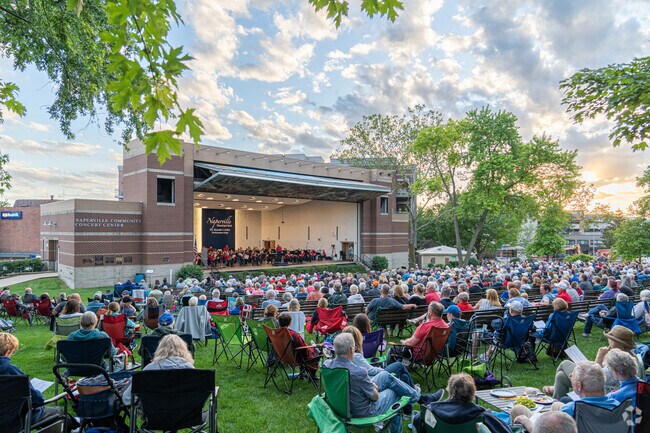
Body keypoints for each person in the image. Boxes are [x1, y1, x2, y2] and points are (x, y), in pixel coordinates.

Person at [323, 333, 438, 433]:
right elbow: (374, 397)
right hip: (363, 411)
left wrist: (370, 386)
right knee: (395, 391)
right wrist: (373, 388)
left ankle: (419, 398)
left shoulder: (327, 365)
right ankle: (417, 401)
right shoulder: (358, 372)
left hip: (342, 406)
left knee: (385, 376)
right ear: (351, 350)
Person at [342, 326, 426, 417]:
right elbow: (371, 370)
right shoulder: (356, 356)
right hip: (371, 381)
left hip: (365, 384)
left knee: (404, 377)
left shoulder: (344, 358)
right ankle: (415, 393)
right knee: (398, 366)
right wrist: (382, 368)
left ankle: (409, 407)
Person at [542, 325, 645, 399]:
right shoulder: (630, 357)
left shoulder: (618, 362)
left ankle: (558, 400)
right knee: (561, 376)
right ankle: (556, 399)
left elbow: (595, 378)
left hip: (599, 392)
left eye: (610, 339)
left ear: (618, 342)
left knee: (564, 364)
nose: (608, 341)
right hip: (602, 386)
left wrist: (599, 358)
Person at [513, 361, 618, 428]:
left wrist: (526, 422)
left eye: (572, 376)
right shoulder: (620, 405)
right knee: (556, 405)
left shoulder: (572, 410)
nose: (570, 378)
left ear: (578, 385)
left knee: (517, 410)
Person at [0, 333, 68, 427]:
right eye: (13, 352)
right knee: (58, 412)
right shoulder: (11, 371)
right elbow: (37, 400)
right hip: (18, 419)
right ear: (7, 352)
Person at [413, 373, 511, 433]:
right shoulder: (482, 415)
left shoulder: (430, 410)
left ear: (450, 390)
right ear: (472, 392)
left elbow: (417, 422)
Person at [123, 334, 195, 405]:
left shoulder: (149, 369)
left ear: (160, 349)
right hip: (185, 412)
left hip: (154, 412)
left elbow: (127, 399)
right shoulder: (191, 370)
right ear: (184, 350)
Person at [277, 312, 319, 378]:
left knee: (301, 352)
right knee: (317, 351)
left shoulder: (277, 334)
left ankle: (302, 373)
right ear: (290, 323)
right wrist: (312, 347)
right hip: (296, 358)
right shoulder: (293, 335)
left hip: (282, 356)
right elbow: (303, 349)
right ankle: (312, 375)